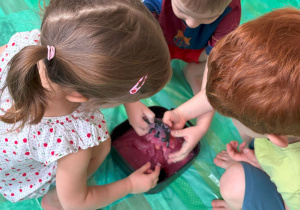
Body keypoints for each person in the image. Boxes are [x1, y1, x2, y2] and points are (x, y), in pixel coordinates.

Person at [0, 0, 172, 209]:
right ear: (81, 96)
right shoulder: (71, 140)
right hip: (19, 176)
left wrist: (131, 102)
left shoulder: (39, 47)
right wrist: (129, 184)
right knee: (102, 146)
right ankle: (54, 201)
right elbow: (77, 203)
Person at [204, 8, 300, 210]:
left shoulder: (294, 178)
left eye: (235, 117)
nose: (231, 119)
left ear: (275, 137)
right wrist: (261, 164)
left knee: (232, 184)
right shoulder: (289, 120)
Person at [127, 0, 241, 162]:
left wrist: (202, 126)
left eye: (209, 18)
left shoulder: (230, 12)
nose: (192, 24)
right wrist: (131, 101)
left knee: (225, 67)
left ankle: (195, 73)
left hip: (198, 50)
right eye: (182, 12)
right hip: (161, 44)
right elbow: (128, 52)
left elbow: (214, 83)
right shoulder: (153, 4)